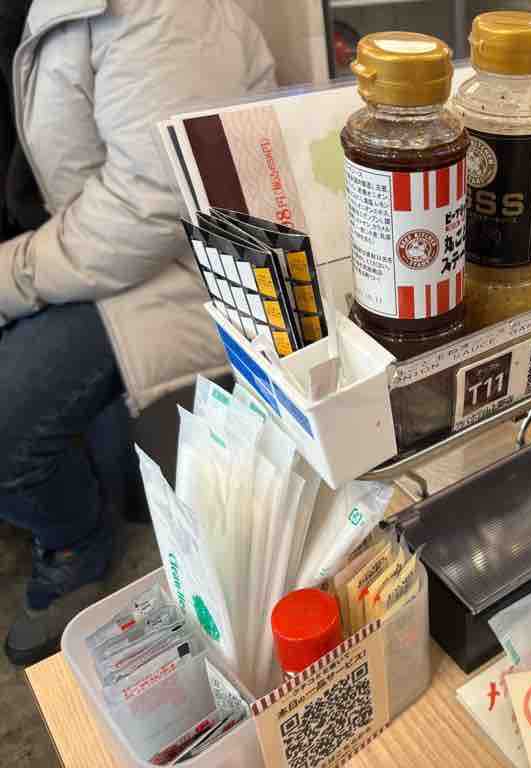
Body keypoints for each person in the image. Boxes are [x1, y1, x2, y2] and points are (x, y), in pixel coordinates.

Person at [0, 0, 275, 665]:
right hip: (78, 244)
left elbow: (149, 206)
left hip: (176, 267)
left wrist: (13, 275)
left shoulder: (165, 13)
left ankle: (76, 541)